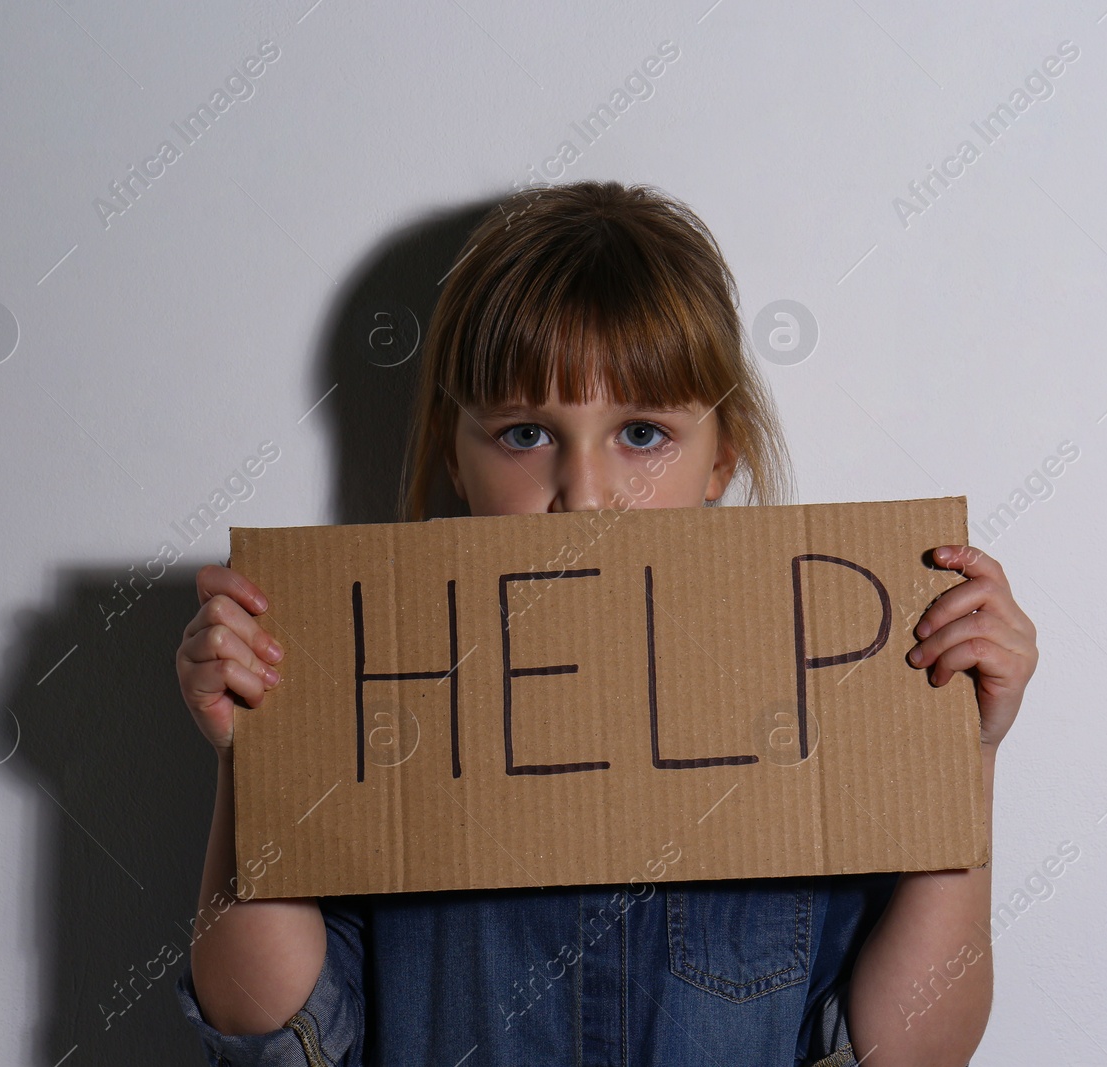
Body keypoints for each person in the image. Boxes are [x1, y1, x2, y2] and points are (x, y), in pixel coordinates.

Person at [172, 179, 1039, 1066]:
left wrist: (959, 754)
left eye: (641, 434)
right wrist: (258, 763)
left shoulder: (818, 705)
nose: (584, 496)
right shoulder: (381, 717)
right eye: (523, 435)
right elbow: (270, 1033)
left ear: (721, 460)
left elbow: (909, 1053)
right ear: (454, 459)